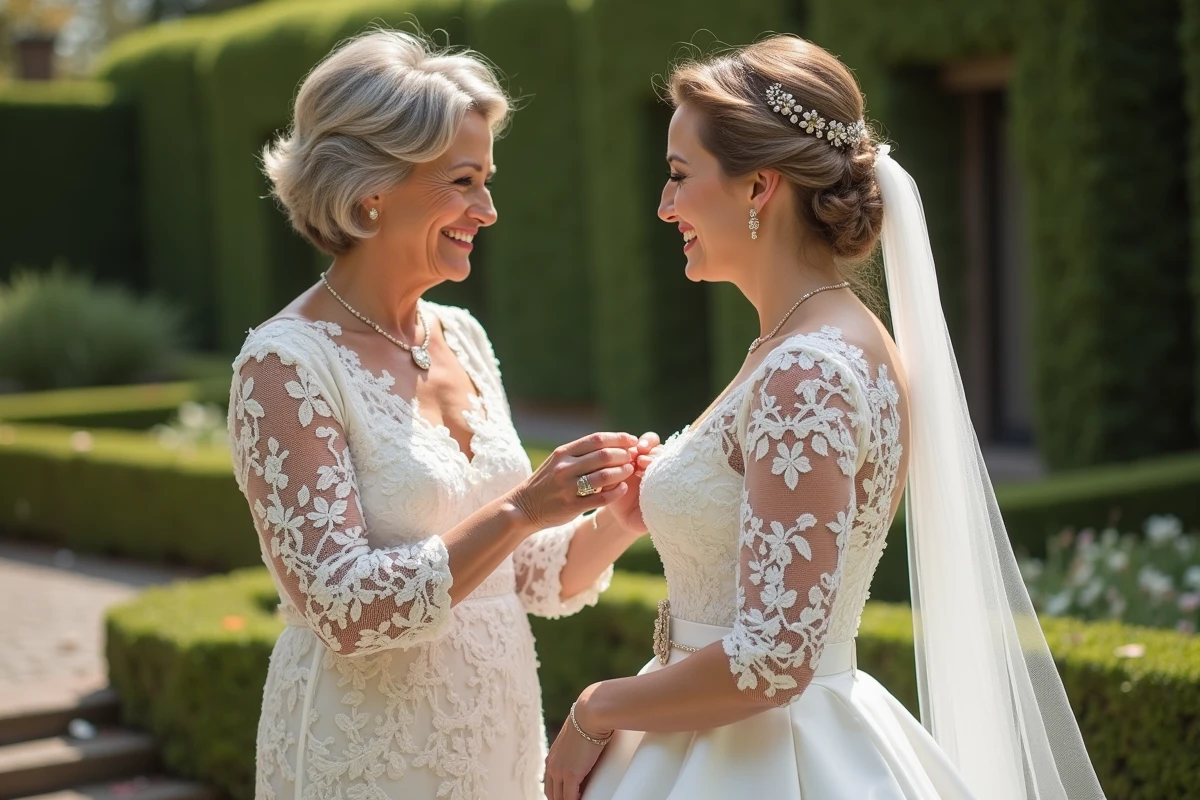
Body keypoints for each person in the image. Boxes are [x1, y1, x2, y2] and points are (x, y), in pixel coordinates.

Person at [545, 35, 1106, 800]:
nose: (665, 204)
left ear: (758, 188)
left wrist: (593, 709)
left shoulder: (806, 370)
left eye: (679, 177)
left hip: (759, 760)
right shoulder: (802, 343)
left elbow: (773, 658)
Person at [227, 30, 654, 799]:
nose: (487, 210)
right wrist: (525, 506)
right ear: (372, 187)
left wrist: (616, 517)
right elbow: (344, 610)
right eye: (464, 181)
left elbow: (525, 577)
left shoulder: (462, 336)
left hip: (495, 741)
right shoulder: (285, 366)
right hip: (365, 756)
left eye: (487, 180)